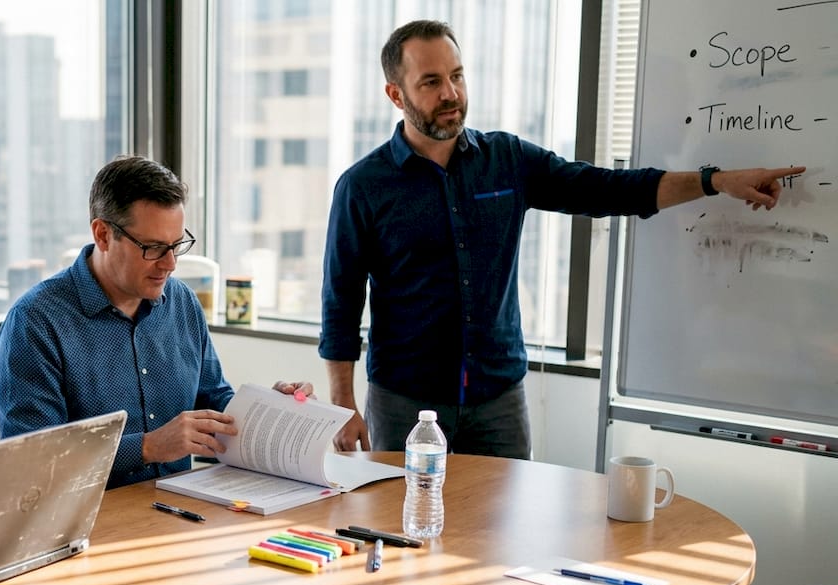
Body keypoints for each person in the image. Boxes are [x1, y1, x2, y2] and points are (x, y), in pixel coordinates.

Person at [320, 19, 804, 458]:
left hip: (499, 402)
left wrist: (713, 181)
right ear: (395, 94)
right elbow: (339, 304)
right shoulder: (364, 187)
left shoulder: (506, 158)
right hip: (405, 406)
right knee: (409, 539)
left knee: (501, 545)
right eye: (431, 82)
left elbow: (609, 189)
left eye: (457, 75)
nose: (451, 93)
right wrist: (343, 405)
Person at [0, 155, 310, 489]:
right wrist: (148, 447)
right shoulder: (36, 322)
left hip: (180, 508)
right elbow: (32, 460)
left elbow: (214, 405)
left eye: (177, 245)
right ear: (103, 235)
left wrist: (270, 412)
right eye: (154, 248)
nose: (170, 264)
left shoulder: (181, 302)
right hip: (91, 522)